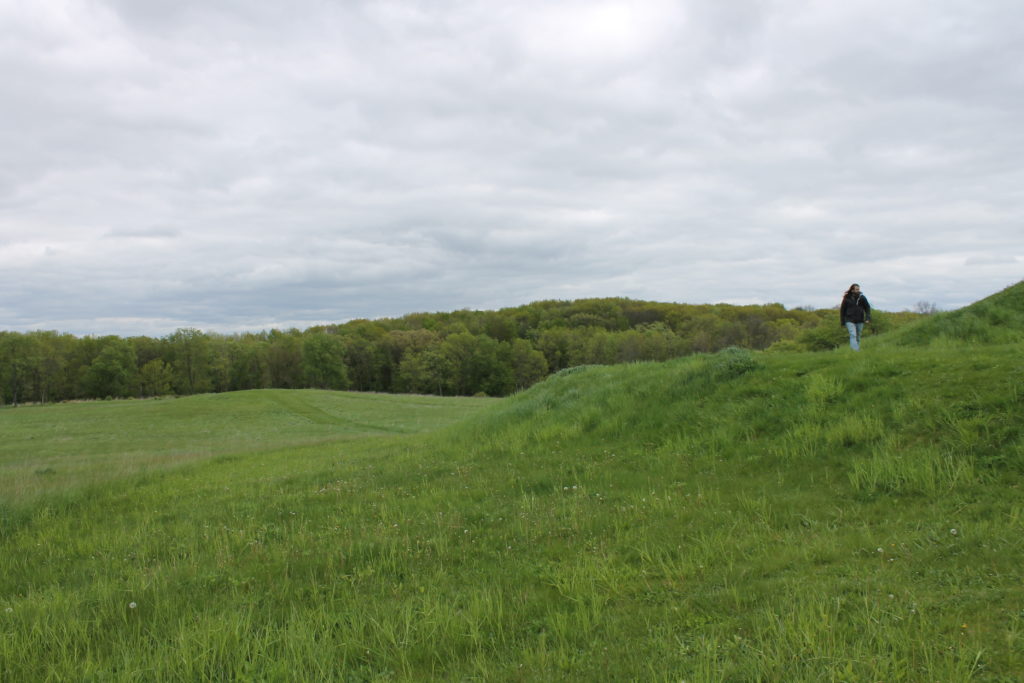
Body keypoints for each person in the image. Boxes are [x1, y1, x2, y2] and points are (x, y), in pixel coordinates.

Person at [839, 283, 871, 351]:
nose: (858, 290)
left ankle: (856, 351)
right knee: (853, 334)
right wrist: (842, 322)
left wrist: (868, 318)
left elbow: (867, 308)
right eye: (856, 289)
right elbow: (842, 310)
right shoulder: (846, 298)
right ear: (852, 290)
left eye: (858, 289)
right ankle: (856, 350)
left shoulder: (862, 297)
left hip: (860, 320)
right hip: (849, 319)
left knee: (858, 336)